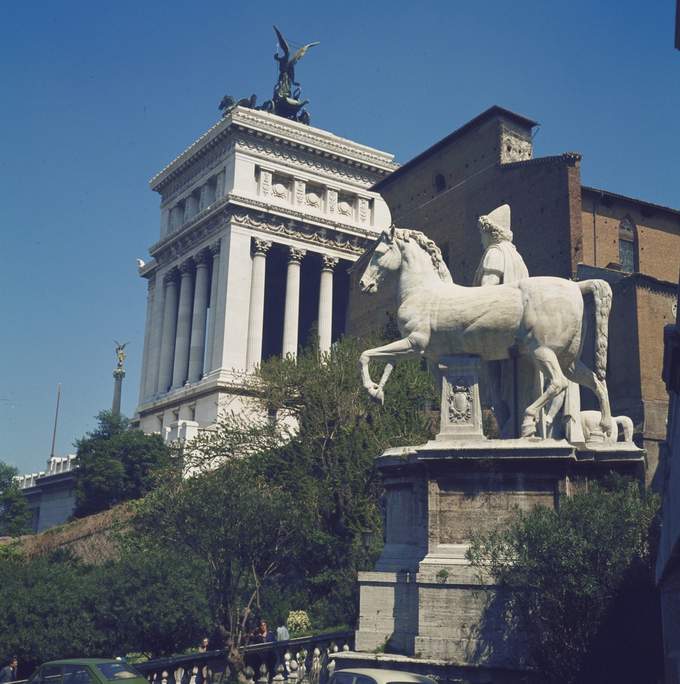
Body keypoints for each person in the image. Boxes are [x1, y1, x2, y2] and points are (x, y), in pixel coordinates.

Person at [473, 204, 538, 437]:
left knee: (494, 387)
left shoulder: (494, 253)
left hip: (498, 331)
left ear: (490, 232)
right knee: (514, 386)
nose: (480, 239)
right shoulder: (517, 257)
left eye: (482, 234)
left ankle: (506, 426)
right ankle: (515, 425)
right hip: (519, 331)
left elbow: (486, 291)